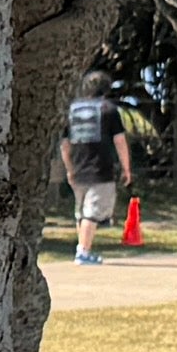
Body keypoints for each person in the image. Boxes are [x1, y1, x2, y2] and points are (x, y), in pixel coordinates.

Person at [58, 81, 143, 263]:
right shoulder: (109, 110)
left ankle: (82, 248)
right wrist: (126, 168)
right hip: (101, 168)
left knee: (81, 211)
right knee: (92, 212)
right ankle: (83, 252)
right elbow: (120, 141)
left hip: (77, 168)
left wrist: (69, 168)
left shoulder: (71, 111)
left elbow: (64, 144)